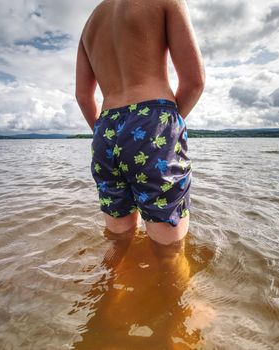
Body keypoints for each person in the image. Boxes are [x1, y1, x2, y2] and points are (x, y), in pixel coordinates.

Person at [76, 0, 205, 245]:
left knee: (119, 239)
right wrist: (163, 127)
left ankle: (114, 281)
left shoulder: (90, 23)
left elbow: (83, 96)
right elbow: (194, 81)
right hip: (153, 120)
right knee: (170, 250)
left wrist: (108, 133)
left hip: (106, 127)